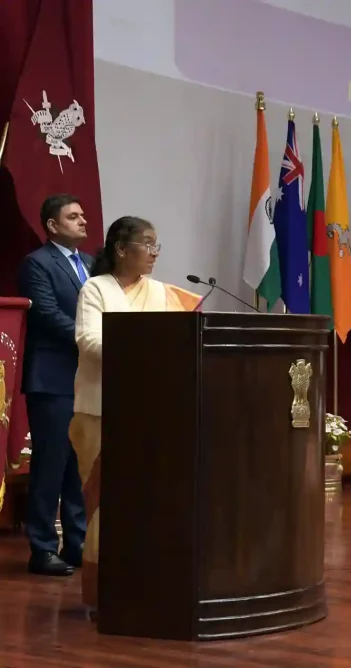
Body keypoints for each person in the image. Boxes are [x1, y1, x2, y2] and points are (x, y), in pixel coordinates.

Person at [71, 216, 197, 610]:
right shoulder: (95, 289)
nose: (155, 253)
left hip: (151, 413)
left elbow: (183, 341)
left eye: (157, 245)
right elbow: (89, 340)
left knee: (147, 501)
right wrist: (147, 348)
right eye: (147, 244)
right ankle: (103, 596)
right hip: (99, 411)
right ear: (121, 250)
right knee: (104, 507)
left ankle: (146, 588)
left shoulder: (163, 294)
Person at [17, 194, 91, 577]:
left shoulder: (92, 265)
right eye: (73, 216)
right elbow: (46, 315)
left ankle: (77, 543)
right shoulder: (37, 263)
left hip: (85, 378)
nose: (82, 221)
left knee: (79, 465)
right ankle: (43, 548)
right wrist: (94, 337)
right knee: (50, 464)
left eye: (82, 215)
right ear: (51, 225)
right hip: (51, 378)